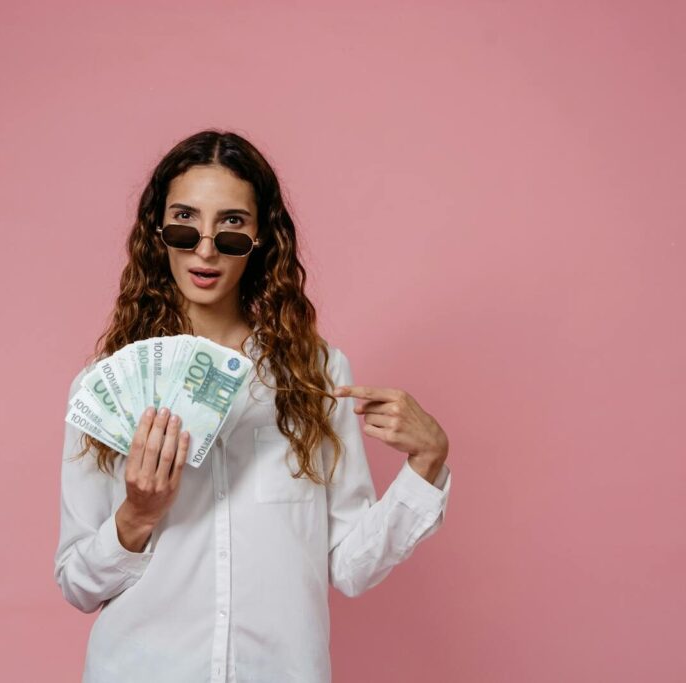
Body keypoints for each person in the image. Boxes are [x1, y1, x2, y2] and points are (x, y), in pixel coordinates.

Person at [53, 129, 452, 683]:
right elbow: (77, 582)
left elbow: (350, 566)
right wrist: (137, 516)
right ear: (157, 232)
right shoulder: (101, 389)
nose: (207, 248)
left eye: (232, 226)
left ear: (263, 237)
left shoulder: (317, 376)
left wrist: (426, 465)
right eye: (185, 222)